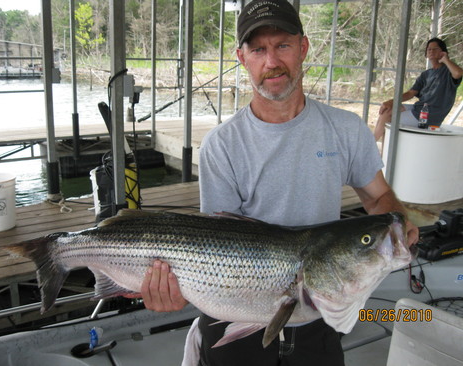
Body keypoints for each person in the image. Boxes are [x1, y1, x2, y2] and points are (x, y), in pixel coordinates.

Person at [140, 1, 419, 365]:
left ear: (302, 48)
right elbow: (218, 243)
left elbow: (379, 197)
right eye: (258, 49)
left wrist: (397, 221)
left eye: (282, 45)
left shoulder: (347, 130)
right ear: (242, 57)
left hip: (320, 313)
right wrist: (175, 288)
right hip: (236, 316)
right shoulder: (222, 145)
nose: (271, 61)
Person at [374, 37, 462, 141]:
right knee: (387, 111)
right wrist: (391, 101)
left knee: (388, 122)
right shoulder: (426, 74)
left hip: (430, 115)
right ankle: (378, 150)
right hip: (419, 109)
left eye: (435, 49)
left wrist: (446, 60)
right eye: (429, 49)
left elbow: (458, 73)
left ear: (443, 52)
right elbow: (411, 93)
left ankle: (370, 148)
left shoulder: (448, 71)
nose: (431, 51)